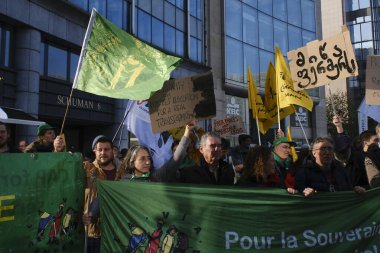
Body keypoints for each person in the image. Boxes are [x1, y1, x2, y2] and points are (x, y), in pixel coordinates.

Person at [116, 122, 195, 182]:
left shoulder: (155, 178)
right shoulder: (124, 183)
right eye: (142, 159)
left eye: (149, 158)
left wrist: (187, 131)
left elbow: (176, 159)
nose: (147, 162)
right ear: (132, 162)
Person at [82, 135, 118, 253]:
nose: (103, 153)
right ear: (94, 151)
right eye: (100, 149)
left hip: (117, 232)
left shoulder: (123, 173)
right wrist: (57, 149)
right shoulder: (87, 169)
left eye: (106, 149)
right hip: (94, 234)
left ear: (113, 151)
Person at [295, 137, 365, 197]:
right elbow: (298, 194)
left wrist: (356, 190)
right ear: (314, 153)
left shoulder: (341, 171)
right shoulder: (304, 172)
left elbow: (348, 189)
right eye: (323, 149)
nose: (327, 152)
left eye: (330, 149)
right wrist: (304, 192)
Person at [332, 115, 368, 188]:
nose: (342, 155)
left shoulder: (361, 160)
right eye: (339, 153)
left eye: (344, 151)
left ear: (349, 149)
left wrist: (339, 126)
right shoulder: (330, 165)